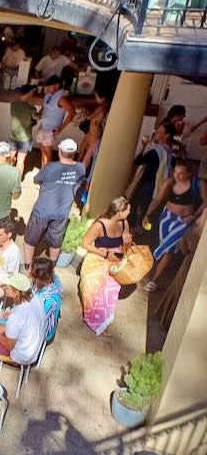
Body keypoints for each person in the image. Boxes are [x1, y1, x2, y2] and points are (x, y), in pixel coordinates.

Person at [142, 161, 205, 292]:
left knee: (169, 249)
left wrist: (194, 215)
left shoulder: (198, 184)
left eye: (181, 173)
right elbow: (158, 200)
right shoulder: (169, 183)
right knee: (165, 247)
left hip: (183, 222)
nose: (177, 176)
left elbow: (206, 201)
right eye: (176, 172)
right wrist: (147, 214)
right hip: (166, 219)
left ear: (189, 174)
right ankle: (156, 269)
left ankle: (154, 280)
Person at [23, 139, 86, 267]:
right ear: (74, 153)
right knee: (56, 241)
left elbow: (36, 180)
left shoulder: (50, 167)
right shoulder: (81, 168)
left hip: (42, 210)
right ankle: (52, 265)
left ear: (60, 152)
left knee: (31, 239)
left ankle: (28, 265)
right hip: (62, 213)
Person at [79, 196, 133, 336]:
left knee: (111, 288)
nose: (129, 213)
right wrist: (104, 254)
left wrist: (127, 241)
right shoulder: (99, 225)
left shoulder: (124, 223)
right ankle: (91, 315)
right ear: (119, 212)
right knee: (92, 286)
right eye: (127, 211)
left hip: (115, 259)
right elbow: (85, 243)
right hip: (98, 257)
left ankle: (102, 321)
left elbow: (125, 244)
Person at [126, 122, 175, 225]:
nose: (157, 134)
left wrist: (143, 146)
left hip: (149, 182)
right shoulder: (169, 151)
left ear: (167, 135)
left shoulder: (157, 150)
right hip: (160, 183)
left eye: (160, 132)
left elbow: (139, 161)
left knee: (139, 206)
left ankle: (136, 227)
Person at [36, 76, 76, 167]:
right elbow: (44, 107)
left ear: (56, 86)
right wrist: (38, 114)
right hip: (43, 126)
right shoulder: (48, 95)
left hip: (51, 130)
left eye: (49, 86)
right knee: (43, 152)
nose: (47, 88)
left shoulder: (62, 98)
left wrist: (60, 130)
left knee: (47, 156)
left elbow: (72, 113)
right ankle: (44, 172)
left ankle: (47, 177)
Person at [28, 257, 63, 341]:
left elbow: (33, 320)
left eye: (31, 268)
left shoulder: (44, 300)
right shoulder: (55, 279)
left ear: (38, 276)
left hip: (42, 333)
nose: (29, 270)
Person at [8, 84, 38, 178]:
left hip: (13, 136)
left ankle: (5, 176)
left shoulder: (13, 105)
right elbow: (37, 117)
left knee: (10, 156)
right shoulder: (31, 108)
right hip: (25, 138)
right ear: (28, 93)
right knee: (20, 161)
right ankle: (17, 180)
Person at [78, 90, 110, 171]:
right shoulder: (103, 106)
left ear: (103, 98)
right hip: (91, 132)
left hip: (94, 133)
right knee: (82, 149)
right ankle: (78, 169)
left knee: (88, 154)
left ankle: (82, 172)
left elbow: (89, 117)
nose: (95, 99)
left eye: (96, 97)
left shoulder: (101, 107)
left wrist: (84, 113)